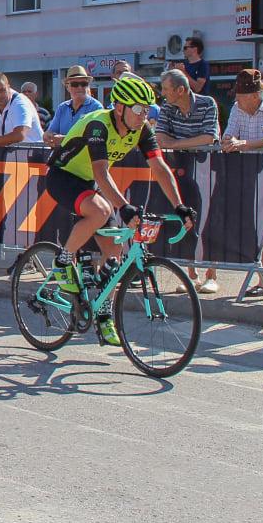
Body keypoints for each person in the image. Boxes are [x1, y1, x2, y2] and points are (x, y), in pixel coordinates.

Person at [45, 75, 195, 345]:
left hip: (89, 183)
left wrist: (179, 205)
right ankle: (63, 261)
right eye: (138, 109)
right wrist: (124, 206)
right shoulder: (98, 126)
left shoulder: (141, 130)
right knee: (102, 210)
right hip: (63, 176)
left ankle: (103, 314)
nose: (143, 115)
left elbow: (160, 169)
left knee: (114, 250)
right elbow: (101, 173)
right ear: (119, 108)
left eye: (147, 109)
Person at [219, 69, 263, 298]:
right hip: (251, 176)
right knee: (259, 231)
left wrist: (241, 144)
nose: (237, 100)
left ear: (253, 95)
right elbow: (229, 134)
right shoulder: (238, 108)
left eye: (240, 96)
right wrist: (228, 141)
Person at [153, 69, 222, 294]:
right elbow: (160, 138)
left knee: (209, 219)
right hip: (180, 169)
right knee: (185, 219)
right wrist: (182, 145)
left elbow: (208, 138)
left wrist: (175, 144)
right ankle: (190, 275)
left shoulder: (207, 103)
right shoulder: (167, 108)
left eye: (165, 89)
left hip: (207, 168)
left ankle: (211, 275)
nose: (162, 94)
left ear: (180, 90)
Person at [46, 66, 104, 144]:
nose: (80, 87)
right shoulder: (62, 107)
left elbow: (97, 137)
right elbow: (51, 131)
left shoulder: (96, 107)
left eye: (84, 84)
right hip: (64, 155)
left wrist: (66, 139)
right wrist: (48, 135)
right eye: (75, 84)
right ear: (67, 87)